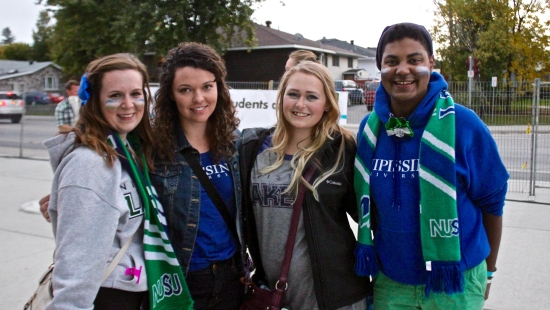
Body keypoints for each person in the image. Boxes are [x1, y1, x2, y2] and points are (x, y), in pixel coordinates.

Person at [353, 23, 509, 309]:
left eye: (414, 60)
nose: (403, 70)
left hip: (455, 284)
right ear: (380, 68)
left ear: (431, 63)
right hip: (392, 283)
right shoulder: (369, 130)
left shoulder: (463, 125)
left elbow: (492, 203)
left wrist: (488, 272)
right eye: (391, 61)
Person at [43, 53, 193, 309]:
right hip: (107, 297)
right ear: (95, 102)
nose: (128, 104)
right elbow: (76, 264)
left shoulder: (126, 149)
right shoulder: (89, 164)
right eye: (115, 96)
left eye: (136, 94)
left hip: (131, 293)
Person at [239, 61, 372, 309]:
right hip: (274, 296)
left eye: (311, 97)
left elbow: (370, 215)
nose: (301, 104)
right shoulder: (252, 148)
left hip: (337, 297)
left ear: (326, 105)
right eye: (293, 94)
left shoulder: (343, 150)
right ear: (281, 98)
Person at [149, 42, 244, 309]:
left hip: (231, 277)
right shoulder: (153, 150)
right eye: (185, 90)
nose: (198, 98)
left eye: (207, 87)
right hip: (182, 279)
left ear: (219, 88)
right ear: (170, 95)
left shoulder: (235, 145)